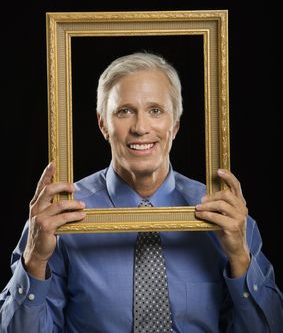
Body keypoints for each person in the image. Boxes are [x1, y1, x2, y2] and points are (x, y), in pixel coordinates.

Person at [0, 52, 282, 333]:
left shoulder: (225, 216)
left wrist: (241, 259)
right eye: (124, 111)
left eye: (155, 110)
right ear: (103, 125)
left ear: (175, 125)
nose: (140, 127)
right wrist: (35, 260)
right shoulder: (57, 217)